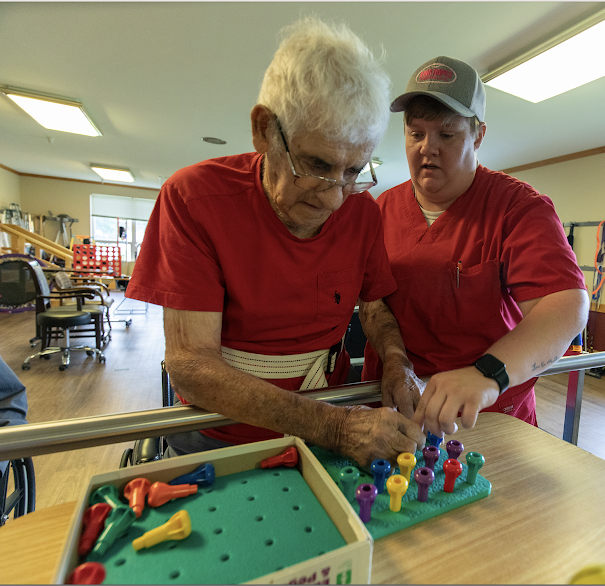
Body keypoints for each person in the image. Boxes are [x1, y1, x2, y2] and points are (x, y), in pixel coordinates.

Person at [125, 17, 425, 468]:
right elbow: (190, 364)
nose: (333, 196)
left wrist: (398, 362)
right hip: (220, 434)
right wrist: (335, 428)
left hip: (332, 417)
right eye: (316, 164)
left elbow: (375, 306)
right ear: (264, 129)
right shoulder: (194, 199)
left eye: (353, 172)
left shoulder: (361, 212)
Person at [361, 57, 589, 438]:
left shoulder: (517, 208)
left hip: (484, 414)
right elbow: (372, 300)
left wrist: (488, 374)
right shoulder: (381, 210)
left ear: (478, 135)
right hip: (395, 407)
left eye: (446, 135)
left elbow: (566, 306)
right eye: (415, 134)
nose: (426, 149)